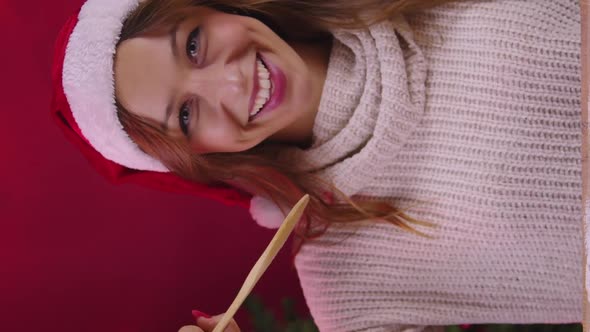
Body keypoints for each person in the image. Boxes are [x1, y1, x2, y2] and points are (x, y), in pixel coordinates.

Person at [51, 0, 582, 331]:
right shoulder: (342, 276)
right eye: (187, 115)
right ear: (201, 157)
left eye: (194, 44)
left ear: (216, 6)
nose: (230, 85)